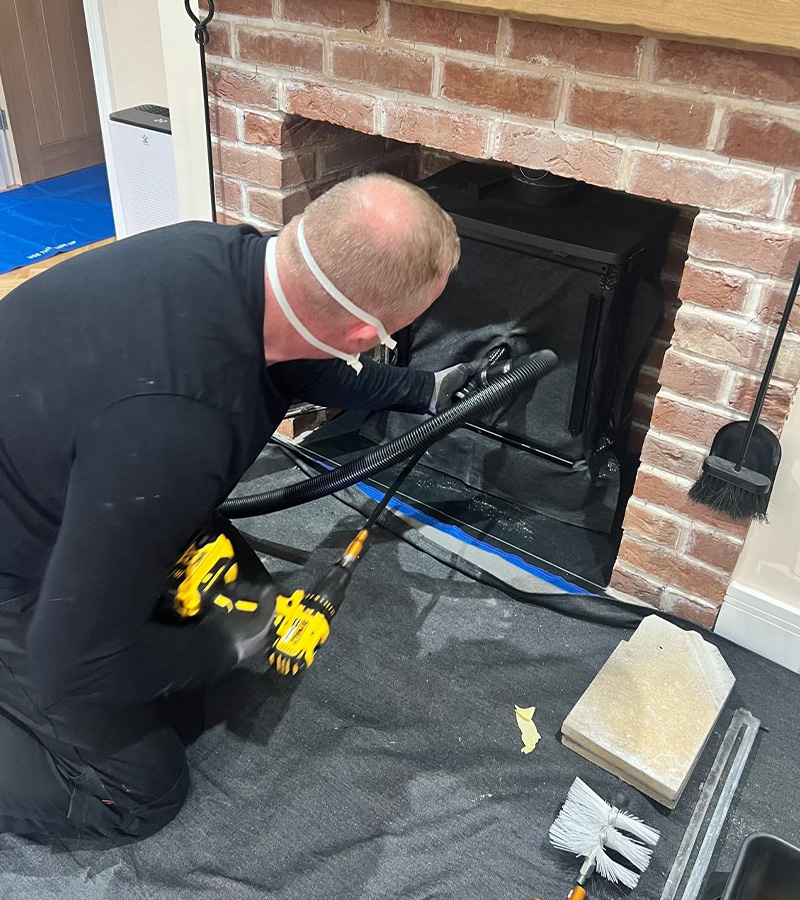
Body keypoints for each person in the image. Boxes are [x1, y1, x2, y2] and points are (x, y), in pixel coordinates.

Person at [0, 174, 476, 843]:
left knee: (224, 602)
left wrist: (420, 389)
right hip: (20, 567)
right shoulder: (174, 435)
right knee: (140, 790)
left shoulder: (227, 260)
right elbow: (68, 663)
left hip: (67, 456)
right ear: (363, 331)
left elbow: (301, 357)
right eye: (389, 341)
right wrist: (226, 645)